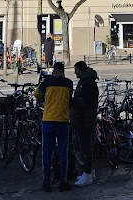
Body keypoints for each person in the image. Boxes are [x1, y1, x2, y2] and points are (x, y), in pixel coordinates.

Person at [35, 61, 72, 192]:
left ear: (53, 71)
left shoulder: (47, 82)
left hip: (48, 120)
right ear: (63, 71)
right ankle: (63, 181)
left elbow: (36, 94)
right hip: (63, 121)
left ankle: (46, 182)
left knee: (47, 152)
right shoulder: (69, 83)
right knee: (63, 152)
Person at [71, 60, 99, 187]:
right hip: (85, 118)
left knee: (85, 147)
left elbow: (85, 102)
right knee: (86, 147)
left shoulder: (87, 83)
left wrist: (71, 101)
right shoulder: (85, 81)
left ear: (81, 70)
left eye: (76, 70)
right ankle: (90, 172)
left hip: (85, 119)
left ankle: (87, 174)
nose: (74, 72)